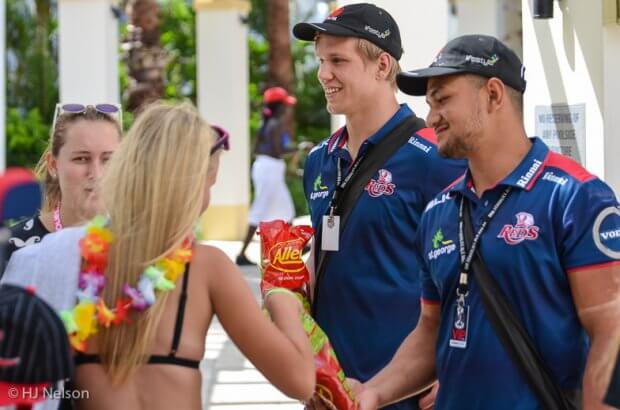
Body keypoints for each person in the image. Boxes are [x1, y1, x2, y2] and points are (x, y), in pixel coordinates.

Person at [356, 34, 620, 410]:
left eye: (443, 99)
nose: (431, 118)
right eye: (429, 104)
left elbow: (610, 333)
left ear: (494, 95)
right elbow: (431, 330)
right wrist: (373, 392)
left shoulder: (576, 197)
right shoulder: (438, 212)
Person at [1, 102, 315, 409]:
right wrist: (280, 292)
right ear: (193, 185)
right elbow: (300, 381)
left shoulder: (57, 255)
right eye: (210, 183)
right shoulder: (206, 267)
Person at [292, 4, 466, 409]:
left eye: (338, 60)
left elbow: (477, 270)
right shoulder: (321, 160)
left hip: (407, 391)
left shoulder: (434, 159)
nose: (323, 74)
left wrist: (453, 363)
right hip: (332, 389)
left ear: (382, 65)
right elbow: (325, 259)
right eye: (320, 61)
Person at [3, 104, 122, 267]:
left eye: (108, 159)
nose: (96, 173)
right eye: (81, 158)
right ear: (53, 164)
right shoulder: (11, 249)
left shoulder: (137, 247)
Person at [236, 86, 304, 266]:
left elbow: (256, 150)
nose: (287, 108)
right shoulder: (276, 124)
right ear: (279, 106)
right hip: (270, 170)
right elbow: (279, 149)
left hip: (265, 168)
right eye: (285, 105)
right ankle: (241, 254)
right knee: (260, 209)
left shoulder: (266, 124)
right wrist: (300, 147)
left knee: (286, 208)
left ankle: (294, 246)